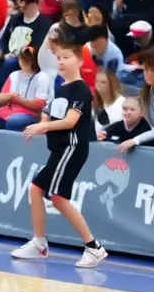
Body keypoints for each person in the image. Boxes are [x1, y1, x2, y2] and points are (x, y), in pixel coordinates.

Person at [13, 35, 108, 268]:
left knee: (58, 198)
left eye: (66, 57)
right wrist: (41, 128)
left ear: (79, 60)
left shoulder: (81, 89)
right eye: (58, 58)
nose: (61, 62)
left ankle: (94, 247)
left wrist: (42, 125)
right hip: (60, 147)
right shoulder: (62, 88)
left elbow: (70, 121)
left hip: (72, 147)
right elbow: (54, 117)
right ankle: (39, 243)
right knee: (36, 189)